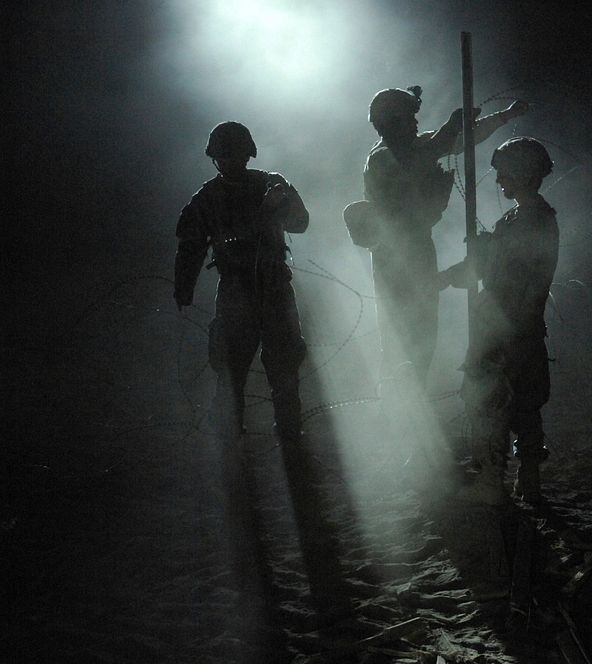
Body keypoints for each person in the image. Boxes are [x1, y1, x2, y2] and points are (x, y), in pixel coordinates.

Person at [174, 122, 346, 614]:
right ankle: (233, 440)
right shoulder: (208, 196)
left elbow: (303, 224)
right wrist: (184, 284)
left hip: (272, 287)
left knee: (284, 367)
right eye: (222, 156)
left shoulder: (272, 182)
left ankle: (287, 435)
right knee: (229, 369)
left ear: (246, 154)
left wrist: (281, 204)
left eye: (233, 155)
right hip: (236, 291)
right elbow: (190, 242)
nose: (228, 162)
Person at [359, 85, 529, 387]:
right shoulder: (382, 158)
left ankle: (411, 404)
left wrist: (505, 116)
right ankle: (398, 411)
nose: (415, 124)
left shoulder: (417, 146)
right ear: (391, 123)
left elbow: (463, 139)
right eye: (409, 118)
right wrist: (450, 128)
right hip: (394, 256)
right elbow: (419, 159)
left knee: (424, 334)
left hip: (418, 247)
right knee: (401, 337)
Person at [438, 137, 558, 504]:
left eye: (505, 173)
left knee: (494, 403)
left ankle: (495, 480)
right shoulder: (522, 218)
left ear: (522, 174)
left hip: (508, 328)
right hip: (514, 327)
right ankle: (526, 479)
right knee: (522, 406)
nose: (499, 180)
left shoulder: (533, 220)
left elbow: (511, 275)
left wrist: (483, 256)